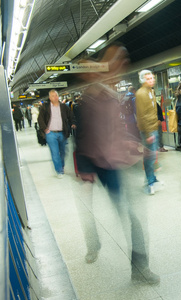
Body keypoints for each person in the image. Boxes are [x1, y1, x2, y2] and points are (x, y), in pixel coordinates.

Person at [75, 44, 160, 284]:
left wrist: (136, 147)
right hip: (97, 167)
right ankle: (94, 247)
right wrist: (85, 171)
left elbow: (116, 134)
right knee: (94, 212)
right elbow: (82, 137)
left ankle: (140, 268)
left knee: (133, 217)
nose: (122, 66)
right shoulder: (89, 99)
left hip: (114, 166)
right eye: (118, 62)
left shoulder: (111, 96)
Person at [37, 89, 75, 178]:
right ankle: (59, 171)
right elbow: (40, 119)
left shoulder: (64, 107)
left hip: (62, 132)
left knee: (63, 152)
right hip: (51, 134)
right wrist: (45, 129)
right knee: (55, 152)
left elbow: (71, 116)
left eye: (56, 95)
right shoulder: (45, 107)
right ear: (50, 98)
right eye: (53, 96)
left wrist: (73, 123)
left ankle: (61, 166)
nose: (55, 97)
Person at [135, 70, 161, 195]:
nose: (152, 80)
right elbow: (141, 115)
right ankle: (150, 182)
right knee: (149, 156)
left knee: (153, 154)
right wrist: (148, 133)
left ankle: (152, 178)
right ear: (143, 80)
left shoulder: (151, 91)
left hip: (153, 127)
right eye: (148, 79)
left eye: (152, 78)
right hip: (148, 130)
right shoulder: (140, 94)